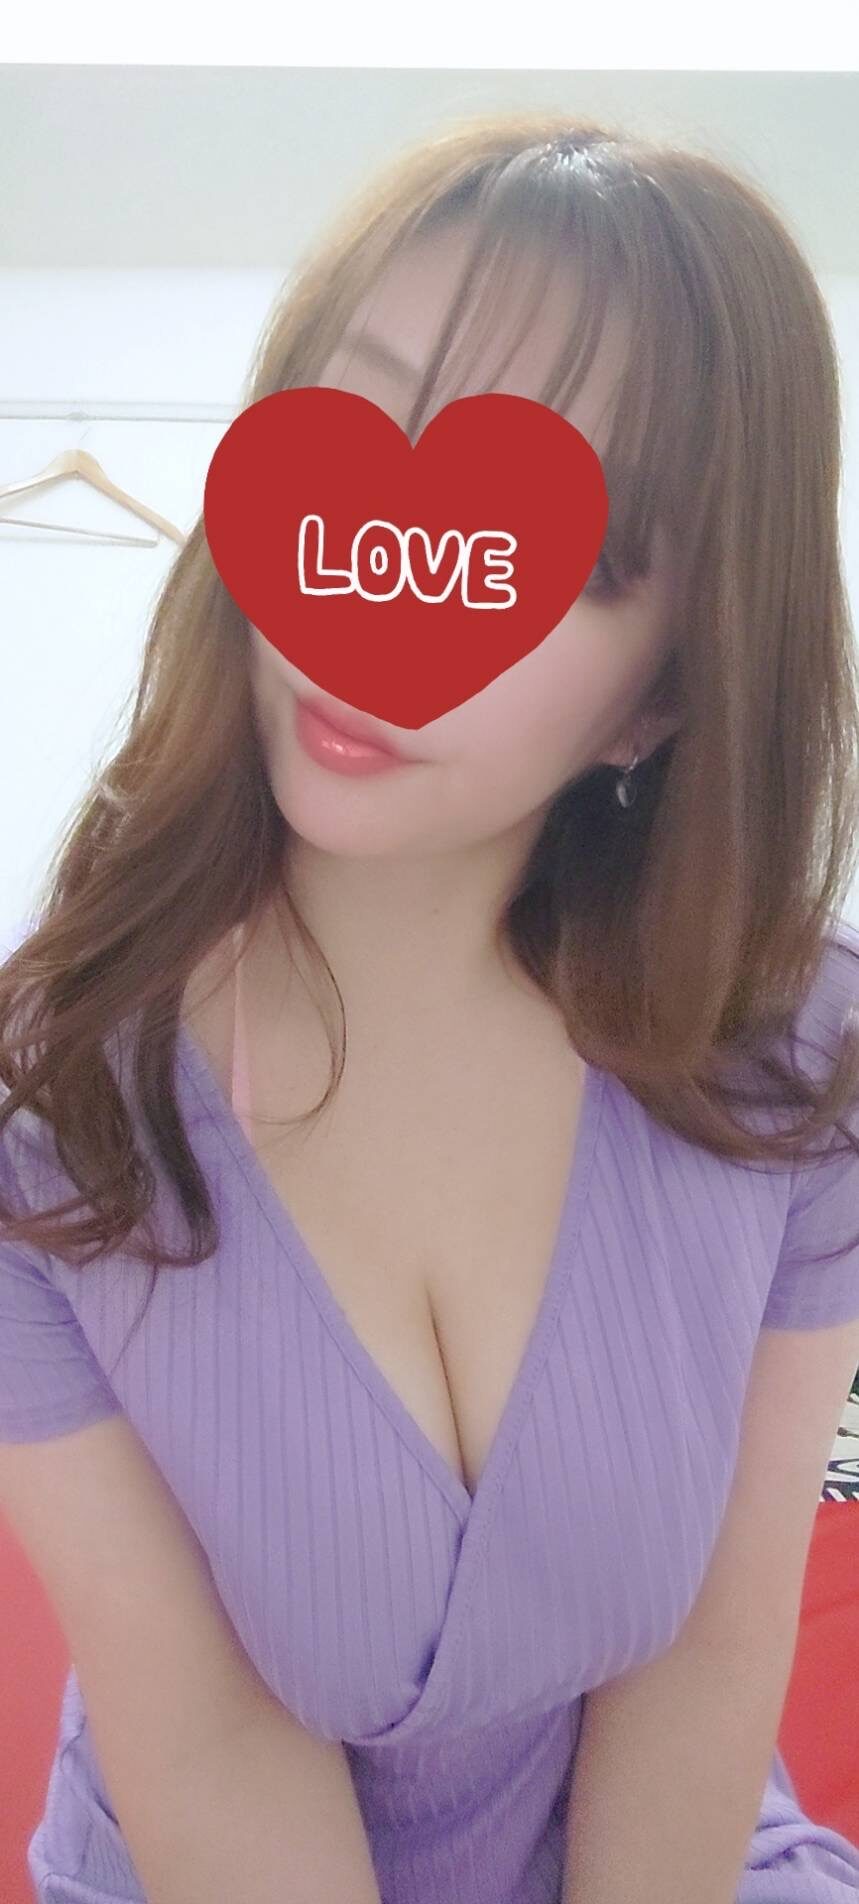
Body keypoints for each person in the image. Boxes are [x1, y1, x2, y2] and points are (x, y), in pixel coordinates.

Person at [2, 111, 859, 1904]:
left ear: (663, 695)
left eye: (555, 543)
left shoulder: (795, 1063)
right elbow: (208, 1737)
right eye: (364, 449)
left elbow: (711, 1655)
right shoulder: (54, 1109)